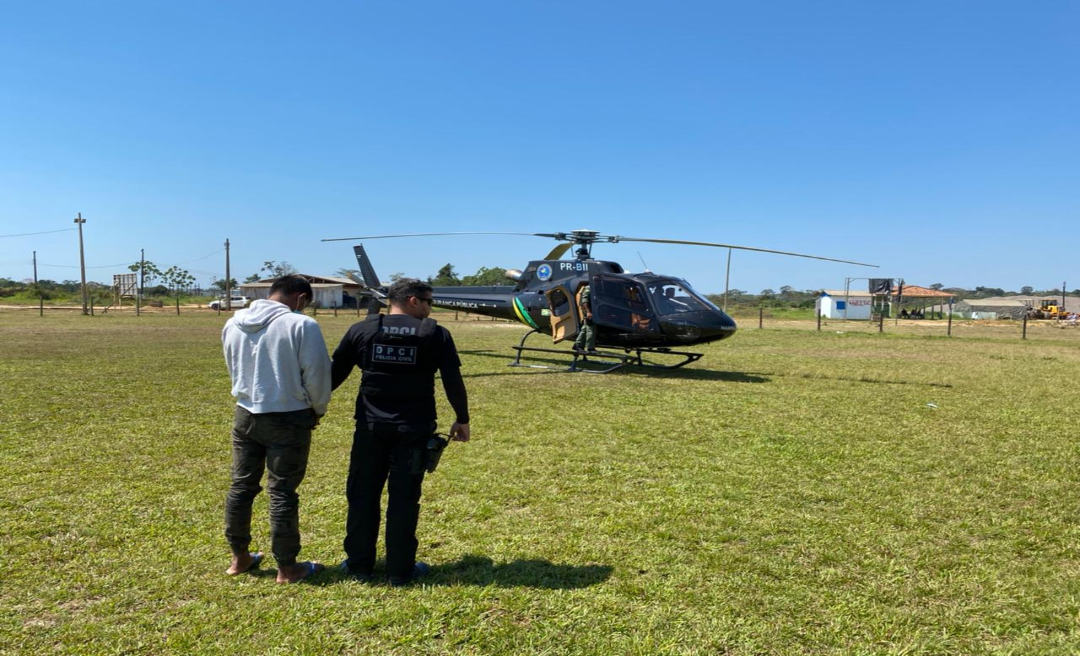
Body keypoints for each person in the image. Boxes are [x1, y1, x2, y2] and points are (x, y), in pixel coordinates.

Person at [331, 279, 471, 586]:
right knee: (405, 498)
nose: (430, 307)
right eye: (428, 301)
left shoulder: (362, 330)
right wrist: (462, 419)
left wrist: (314, 406)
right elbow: (452, 380)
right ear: (412, 300)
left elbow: (335, 372)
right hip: (414, 430)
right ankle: (399, 570)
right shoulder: (435, 334)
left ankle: (359, 566)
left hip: (370, 429)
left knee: (361, 494)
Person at [221, 275, 331, 584]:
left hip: (245, 413)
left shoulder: (233, 322)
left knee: (241, 487)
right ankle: (287, 567)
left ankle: (239, 557)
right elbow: (317, 374)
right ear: (300, 298)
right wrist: (317, 408)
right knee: (282, 491)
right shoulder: (301, 325)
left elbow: (232, 366)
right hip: (288, 416)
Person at [573, 283, 596, 353]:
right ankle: (590, 348)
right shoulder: (589, 288)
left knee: (585, 328)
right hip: (589, 312)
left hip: (593, 312)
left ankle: (578, 345)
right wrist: (588, 312)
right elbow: (584, 301)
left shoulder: (595, 287)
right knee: (591, 329)